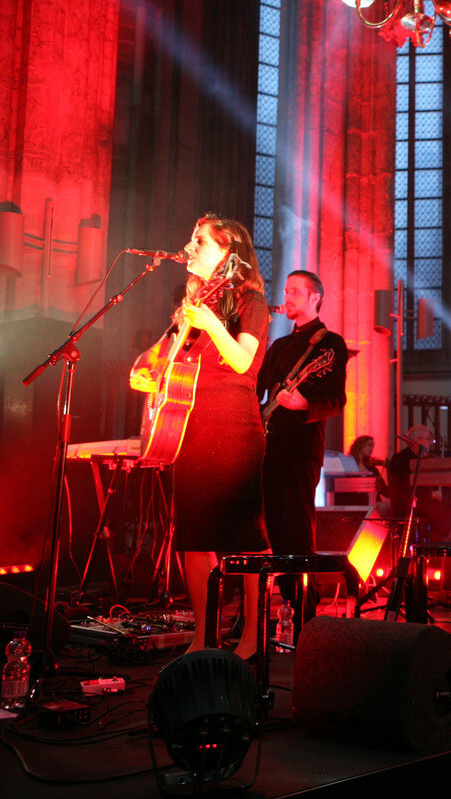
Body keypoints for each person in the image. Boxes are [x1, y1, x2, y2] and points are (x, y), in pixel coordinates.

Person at [129, 214, 270, 661]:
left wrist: (209, 323)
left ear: (231, 253)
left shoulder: (251, 303)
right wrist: (159, 354)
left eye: (201, 241)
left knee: (245, 535)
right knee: (193, 535)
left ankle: (253, 637)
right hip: (189, 429)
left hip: (233, 427)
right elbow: (150, 373)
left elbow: (243, 361)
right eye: (191, 238)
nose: (191, 246)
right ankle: (204, 636)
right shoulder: (189, 308)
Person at [258, 270, 348, 636]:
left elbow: (336, 399)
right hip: (269, 447)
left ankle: (306, 617)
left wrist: (303, 402)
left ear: (315, 297)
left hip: (300, 451)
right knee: (272, 535)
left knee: (296, 533)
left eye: (295, 291)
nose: (287, 296)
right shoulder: (278, 346)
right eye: (286, 291)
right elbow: (256, 388)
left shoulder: (330, 345)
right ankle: (284, 611)